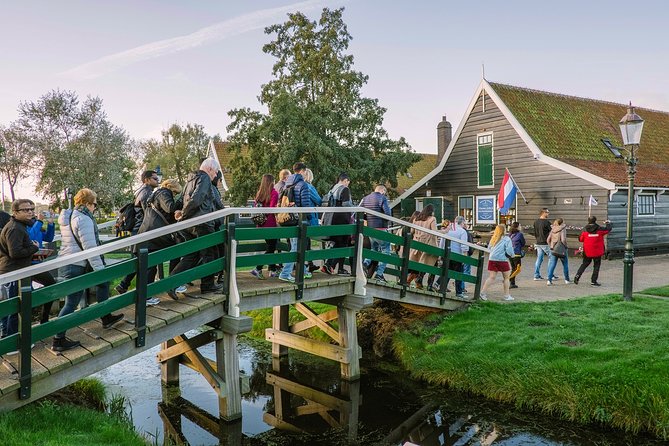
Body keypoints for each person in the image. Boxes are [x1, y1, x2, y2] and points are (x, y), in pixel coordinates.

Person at [56, 189, 124, 352]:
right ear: (86, 203)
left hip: (70, 261)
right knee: (71, 302)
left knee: (102, 285)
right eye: (94, 204)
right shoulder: (83, 219)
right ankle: (58, 339)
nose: (95, 207)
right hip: (77, 264)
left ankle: (106, 316)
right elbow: (90, 248)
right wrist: (100, 270)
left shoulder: (70, 215)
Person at [168, 158, 225, 298]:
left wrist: (183, 214)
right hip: (202, 223)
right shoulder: (204, 178)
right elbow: (197, 198)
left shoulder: (190, 179)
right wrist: (184, 214)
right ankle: (207, 286)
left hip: (189, 224)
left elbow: (183, 199)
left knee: (192, 255)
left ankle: (171, 284)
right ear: (210, 169)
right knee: (209, 254)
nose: (215, 175)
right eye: (216, 172)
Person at [136, 178, 184, 304]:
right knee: (175, 252)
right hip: (154, 234)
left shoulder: (157, 194)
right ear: (171, 188)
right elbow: (170, 208)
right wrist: (181, 201)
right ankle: (171, 283)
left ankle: (147, 294)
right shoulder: (163, 193)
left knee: (151, 265)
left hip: (150, 233)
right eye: (175, 193)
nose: (175, 195)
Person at [0, 199, 40, 341]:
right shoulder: (15, 228)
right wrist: (34, 247)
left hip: (14, 271)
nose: (30, 212)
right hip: (13, 272)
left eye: (31, 209)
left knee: (13, 308)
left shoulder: (19, 226)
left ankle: (9, 338)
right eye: (25, 210)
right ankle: (11, 341)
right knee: (14, 308)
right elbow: (15, 253)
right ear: (15, 212)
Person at [116, 170, 160, 294]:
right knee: (150, 264)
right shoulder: (146, 193)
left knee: (140, 261)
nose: (158, 181)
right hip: (142, 231)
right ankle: (146, 295)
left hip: (138, 231)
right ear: (146, 180)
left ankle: (123, 285)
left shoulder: (140, 191)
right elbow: (149, 215)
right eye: (155, 179)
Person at [279, 162, 315, 282]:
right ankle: (285, 273)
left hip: (289, 218)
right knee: (295, 247)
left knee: (297, 245)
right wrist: (309, 217)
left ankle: (303, 271)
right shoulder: (303, 185)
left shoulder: (287, 184)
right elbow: (305, 204)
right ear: (303, 171)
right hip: (299, 220)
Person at [320, 172, 353, 276]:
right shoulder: (344, 189)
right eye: (348, 182)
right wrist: (355, 207)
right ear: (345, 180)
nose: (348, 184)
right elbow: (346, 204)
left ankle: (329, 265)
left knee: (338, 243)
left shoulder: (332, 189)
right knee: (343, 243)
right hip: (342, 219)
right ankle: (336, 267)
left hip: (331, 219)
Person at [361, 185, 392, 284]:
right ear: (382, 191)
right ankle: (379, 274)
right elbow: (388, 215)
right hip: (381, 228)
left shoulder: (365, 198)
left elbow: (360, 213)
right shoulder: (382, 198)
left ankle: (365, 264)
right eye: (385, 192)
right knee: (386, 251)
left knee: (373, 250)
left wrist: (369, 219)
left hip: (370, 229)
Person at [250, 174, 279, 280]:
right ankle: (258, 268)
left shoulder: (259, 193)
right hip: (270, 224)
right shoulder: (274, 193)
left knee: (270, 246)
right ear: (272, 182)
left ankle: (272, 269)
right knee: (272, 247)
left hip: (261, 224)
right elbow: (272, 209)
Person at [480, 224, 515, 302]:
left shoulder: (493, 238)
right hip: (502, 260)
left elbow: (489, 248)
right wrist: (512, 255)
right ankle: (506, 295)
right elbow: (509, 250)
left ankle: (483, 293)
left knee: (491, 277)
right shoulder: (507, 239)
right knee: (506, 278)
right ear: (504, 230)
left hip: (492, 259)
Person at [406, 204, 438, 290]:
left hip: (416, 244)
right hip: (427, 244)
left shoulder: (417, 219)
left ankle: (411, 281)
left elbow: (412, 231)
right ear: (431, 211)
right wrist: (445, 231)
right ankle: (429, 286)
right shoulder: (432, 219)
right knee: (433, 264)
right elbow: (434, 233)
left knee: (417, 264)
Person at [574, 216, 612, 286]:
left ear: (588, 221)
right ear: (595, 220)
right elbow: (608, 230)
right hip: (597, 251)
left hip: (587, 251)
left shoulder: (584, 230)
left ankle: (577, 276)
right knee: (596, 266)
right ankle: (593, 281)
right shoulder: (600, 229)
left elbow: (580, 239)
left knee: (584, 264)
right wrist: (608, 223)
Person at [444, 216, 470, 298]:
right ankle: (459, 292)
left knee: (447, 272)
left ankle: (440, 286)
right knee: (459, 274)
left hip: (448, 254)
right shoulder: (462, 232)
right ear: (462, 223)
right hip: (458, 255)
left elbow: (442, 241)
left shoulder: (448, 230)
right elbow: (464, 246)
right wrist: (464, 258)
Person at [302, 168, 322, 273]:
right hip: (309, 217)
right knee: (306, 241)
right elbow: (318, 200)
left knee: (304, 242)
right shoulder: (309, 187)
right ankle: (306, 267)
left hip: (300, 218)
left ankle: (309, 264)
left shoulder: (297, 186)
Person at [546, 218, 571, 285]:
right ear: (562, 223)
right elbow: (563, 240)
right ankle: (567, 280)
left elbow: (548, 239)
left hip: (553, 249)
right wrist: (566, 246)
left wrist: (551, 246)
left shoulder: (553, 229)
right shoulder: (562, 229)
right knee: (565, 264)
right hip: (561, 249)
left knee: (552, 265)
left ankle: (549, 280)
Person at [533, 208, 553, 281]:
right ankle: (550, 275)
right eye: (547, 212)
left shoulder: (535, 222)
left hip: (538, 242)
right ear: (543, 213)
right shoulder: (547, 222)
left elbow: (534, 232)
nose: (548, 213)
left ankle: (536, 275)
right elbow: (552, 232)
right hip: (545, 243)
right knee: (551, 258)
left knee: (539, 259)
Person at [508, 222, 526, 289]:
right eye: (520, 225)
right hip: (516, 254)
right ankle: (509, 279)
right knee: (517, 269)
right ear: (517, 227)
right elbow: (523, 243)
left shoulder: (510, 234)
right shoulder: (520, 234)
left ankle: (512, 283)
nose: (521, 227)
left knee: (513, 268)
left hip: (510, 253)